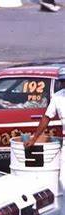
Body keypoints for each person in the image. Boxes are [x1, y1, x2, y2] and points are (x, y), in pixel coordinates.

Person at [25, 68, 65, 196]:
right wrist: (34, 138)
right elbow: (46, 117)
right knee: (63, 181)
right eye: (63, 82)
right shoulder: (58, 97)